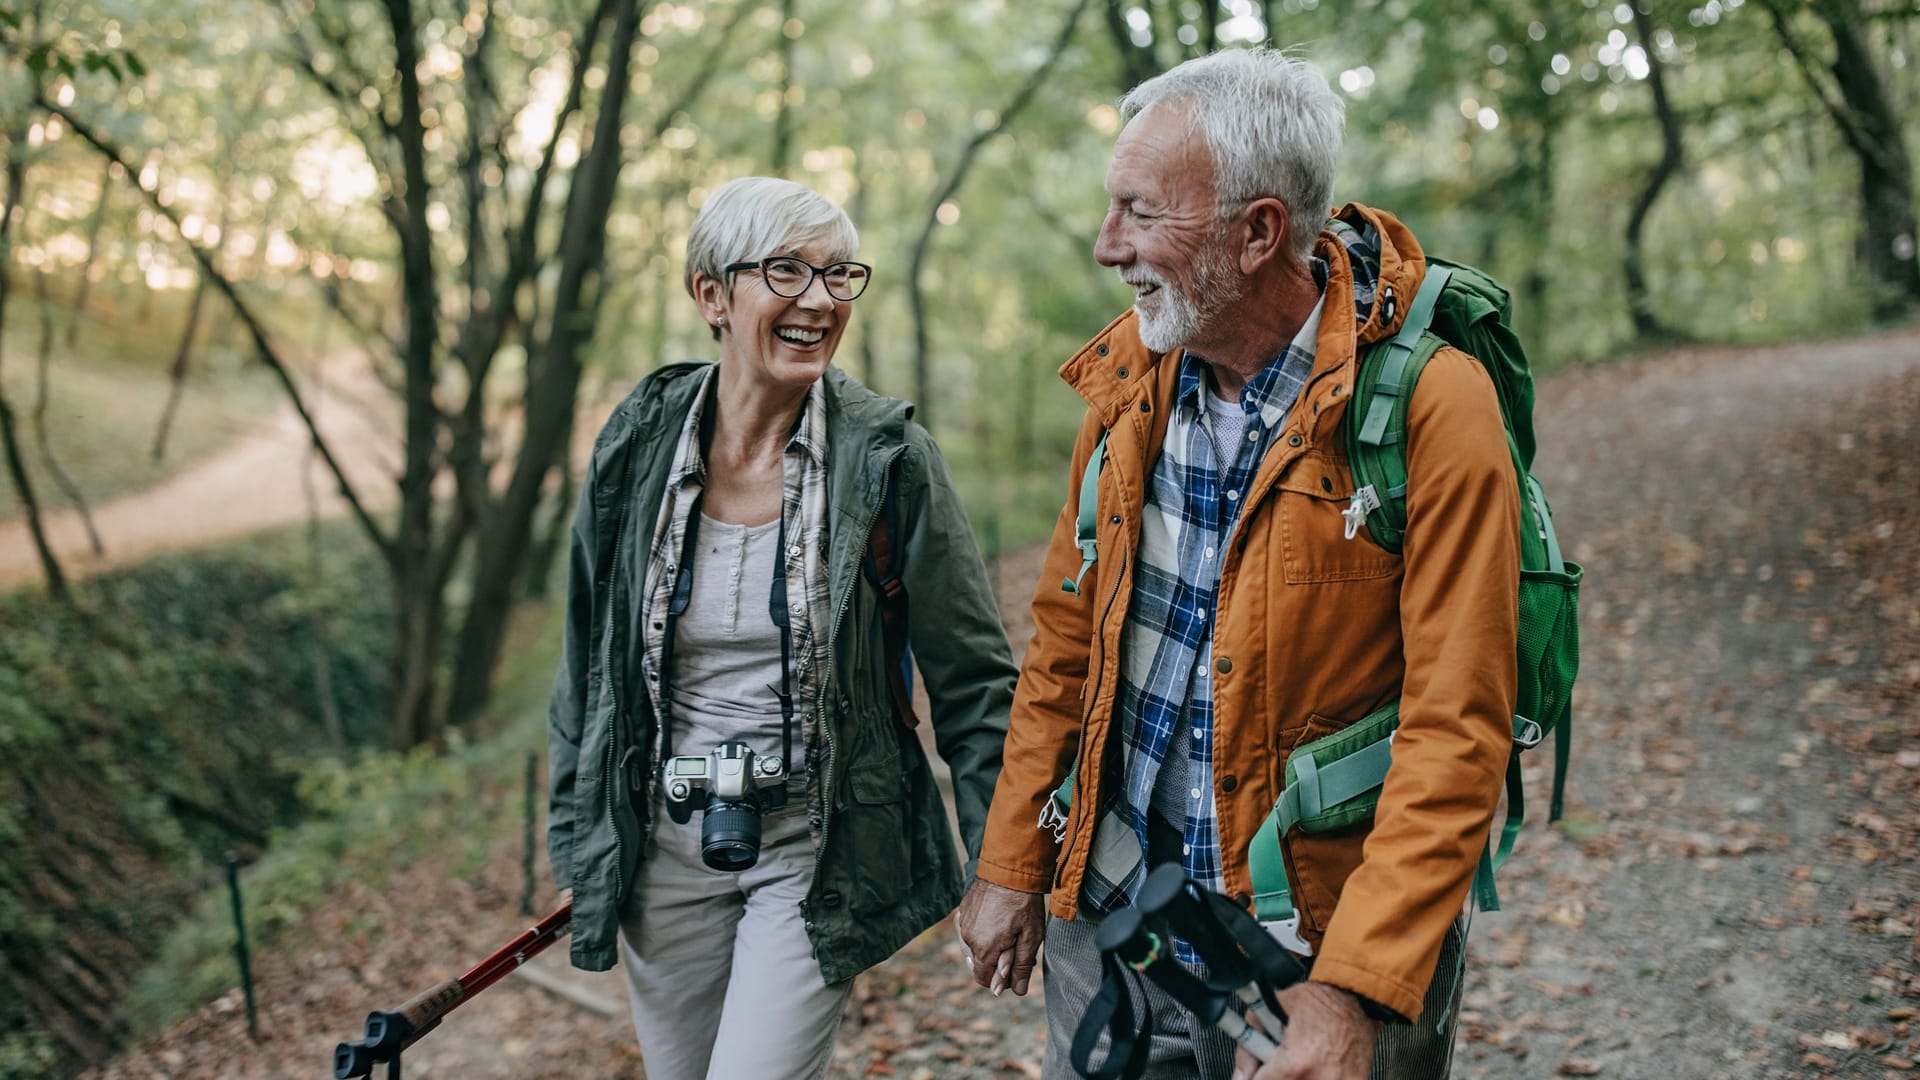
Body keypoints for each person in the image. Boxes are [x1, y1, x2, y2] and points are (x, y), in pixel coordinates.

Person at [956, 48, 1520, 1080]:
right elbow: (1065, 645)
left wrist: (1354, 989)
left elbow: (1457, 729)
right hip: (1116, 913)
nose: (1104, 244)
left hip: (1315, 946)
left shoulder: (1433, 411)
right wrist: (1010, 863)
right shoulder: (1130, 379)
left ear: (1258, 232)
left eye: (1139, 212)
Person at [547, 176, 1017, 1080]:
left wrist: (1001, 868)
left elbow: (974, 681)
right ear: (712, 296)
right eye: (788, 271)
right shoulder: (636, 443)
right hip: (660, 843)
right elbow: (585, 661)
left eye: (840, 276)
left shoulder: (887, 458)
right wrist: (581, 837)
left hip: (814, 842)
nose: (819, 300)